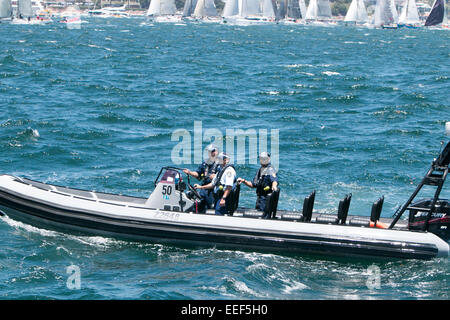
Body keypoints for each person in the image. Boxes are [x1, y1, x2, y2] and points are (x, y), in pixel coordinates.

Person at [183, 144, 219, 213]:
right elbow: (198, 174)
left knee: (212, 208)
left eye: (213, 151)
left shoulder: (220, 164)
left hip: (213, 191)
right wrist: (189, 172)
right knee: (197, 204)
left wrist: (216, 177)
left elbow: (222, 177)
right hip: (203, 190)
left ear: (216, 152)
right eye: (209, 152)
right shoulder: (205, 163)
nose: (211, 153)